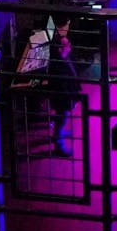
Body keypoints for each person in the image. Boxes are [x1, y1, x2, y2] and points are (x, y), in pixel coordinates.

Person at [47, 26, 84, 157]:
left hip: (68, 96)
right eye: (67, 45)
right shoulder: (57, 66)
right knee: (61, 119)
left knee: (62, 118)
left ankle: (60, 134)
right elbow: (62, 85)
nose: (70, 46)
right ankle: (59, 144)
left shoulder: (63, 58)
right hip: (63, 98)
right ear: (59, 49)